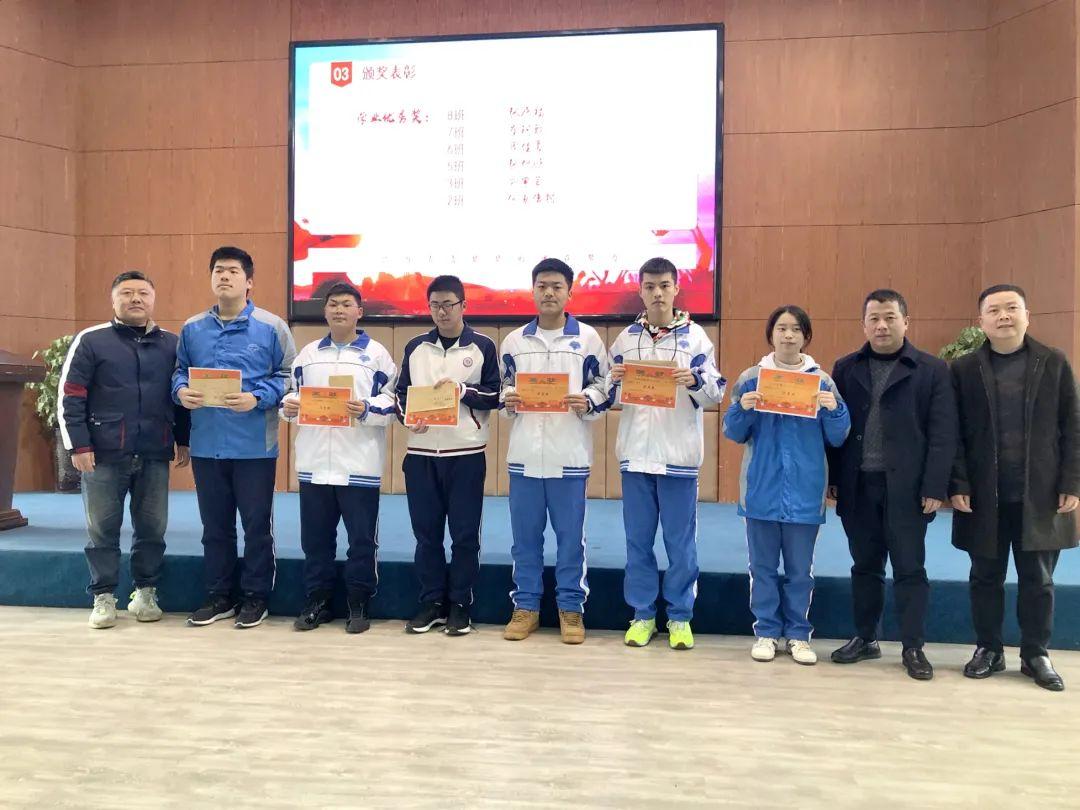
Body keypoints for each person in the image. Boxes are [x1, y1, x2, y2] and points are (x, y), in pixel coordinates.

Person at [950, 284, 1079, 691]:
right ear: (981, 321)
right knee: (984, 577)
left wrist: (1072, 481)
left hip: (1039, 494)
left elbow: (1073, 426)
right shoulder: (963, 369)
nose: (1003, 316)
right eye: (994, 310)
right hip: (983, 495)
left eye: (1011, 308)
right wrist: (958, 482)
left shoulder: (1053, 362)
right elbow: (954, 434)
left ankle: (1035, 653)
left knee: (1038, 580)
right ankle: (988, 648)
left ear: (1027, 315)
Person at [827, 289, 957, 680]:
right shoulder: (845, 368)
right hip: (858, 485)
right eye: (874, 319)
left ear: (906, 322)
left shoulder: (932, 369)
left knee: (909, 568)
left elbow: (943, 434)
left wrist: (935, 486)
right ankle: (866, 638)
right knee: (864, 566)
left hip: (909, 489)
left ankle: (913, 646)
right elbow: (834, 428)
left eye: (889, 318)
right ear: (863, 325)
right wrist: (835, 478)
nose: (881, 326)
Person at [58, 271, 190, 628]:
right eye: (127, 293)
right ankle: (103, 596)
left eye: (143, 293)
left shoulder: (172, 344)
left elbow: (180, 396)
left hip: (154, 451)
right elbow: (71, 395)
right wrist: (77, 445)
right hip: (102, 454)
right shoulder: (91, 340)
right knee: (102, 529)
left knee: (153, 528)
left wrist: (183, 439)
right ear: (113, 300)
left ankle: (145, 592)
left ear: (153, 299)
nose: (136, 299)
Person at [173, 246, 296, 629]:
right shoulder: (192, 328)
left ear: (249, 281)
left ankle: (256, 597)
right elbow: (179, 371)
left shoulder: (272, 327)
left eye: (232, 271)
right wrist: (180, 390)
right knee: (214, 527)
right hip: (207, 444)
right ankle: (219, 596)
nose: (224, 276)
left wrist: (257, 397)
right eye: (218, 271)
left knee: (256, 527)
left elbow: (290, 376)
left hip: (254, 446)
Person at [606, 257, 725, 650]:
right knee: (637, 543)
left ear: (676, 289)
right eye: (650, 286)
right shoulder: (625, 339)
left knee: (680, 545)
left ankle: (679, 617)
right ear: (640, 290)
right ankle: (642, 615)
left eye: (664, 286)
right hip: (636, 456)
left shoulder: (697, 339)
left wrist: (694, 380)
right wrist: (614, 381)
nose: (657, 293)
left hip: (678, 458)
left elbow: (715, 392)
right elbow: (606, 392)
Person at [723, 305, 850, 664]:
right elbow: (733, 431)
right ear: (771, 335)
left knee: (799, 572)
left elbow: (839, 436)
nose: (789, 335)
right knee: (762, 569)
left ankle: (798, 635)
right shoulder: (752, 378)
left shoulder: (822, 381)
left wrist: (835, 410)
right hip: (761, 490)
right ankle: (765, 632)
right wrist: (743, 408)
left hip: (805, 492)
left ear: (806, 336)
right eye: (782, 328)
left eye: (796, 329)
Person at [499, 259, 609, 644]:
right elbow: (503, 388)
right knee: (524, 539)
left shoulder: (589, 340)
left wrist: (588, 399)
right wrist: (508, 399)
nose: (548, 292)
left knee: (570, 539)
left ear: (569, 292)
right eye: (542, 285)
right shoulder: (514, 342)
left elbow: (604, 386)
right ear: (532, 291)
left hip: (569, 457)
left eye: (556, 286)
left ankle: (571, 608)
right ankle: (526, 607)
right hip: (524, 457)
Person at [281, 282, 397, 634]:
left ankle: (358, 602)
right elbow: (291, 396)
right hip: (314, 464)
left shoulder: (376, 355)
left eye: (347, 304)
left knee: (361, 541)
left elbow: (391, 402)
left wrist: (366, 408)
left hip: (359, 464)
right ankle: (317, 601)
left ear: (359, 311)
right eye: (333, 304)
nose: (339, 310)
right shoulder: (308, 354)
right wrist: (289, 407)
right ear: (325, 310)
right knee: (315, 541)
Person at [395, 274, 500, 636]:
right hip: (421, 454)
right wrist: (409, 418)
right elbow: (401, 395)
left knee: (464, 535)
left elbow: (495, 395)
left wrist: (462, 390)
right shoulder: (415, 348)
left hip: (465, 453)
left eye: (449, 304)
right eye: (435, 305)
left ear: (463, 306)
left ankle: (460, 605)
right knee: (426, 535)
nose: (442, 312)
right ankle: (432, 603)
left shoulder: (482, 346)